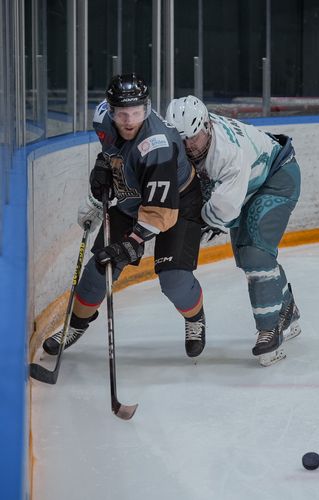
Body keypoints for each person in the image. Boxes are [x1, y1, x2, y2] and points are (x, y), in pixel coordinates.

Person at [43, 75, 206, 359]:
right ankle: (76, 324)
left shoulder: (158, 146)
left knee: (174, 279)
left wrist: (131, 243)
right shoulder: (102, 118)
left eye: (137, 113)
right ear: (110, 110)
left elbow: (160, 213)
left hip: (177, 203)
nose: (129, 121)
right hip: (135, 200)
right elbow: (112, 151)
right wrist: (103, 166)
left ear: (147, 108)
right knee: (99, 267)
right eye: (122, 114)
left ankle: (195, 319)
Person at [166, 96, 301, 366]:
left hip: (277, 177)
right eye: (182, 140)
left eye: (194, 137)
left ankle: (269, 329)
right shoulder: (187, 139)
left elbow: (224, 210)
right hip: (251, 183)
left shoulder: (227, 153)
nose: (189, 146)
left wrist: (201, 221)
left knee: (254, 254)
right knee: (245, 256)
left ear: (207, 125)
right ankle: (286, 308)